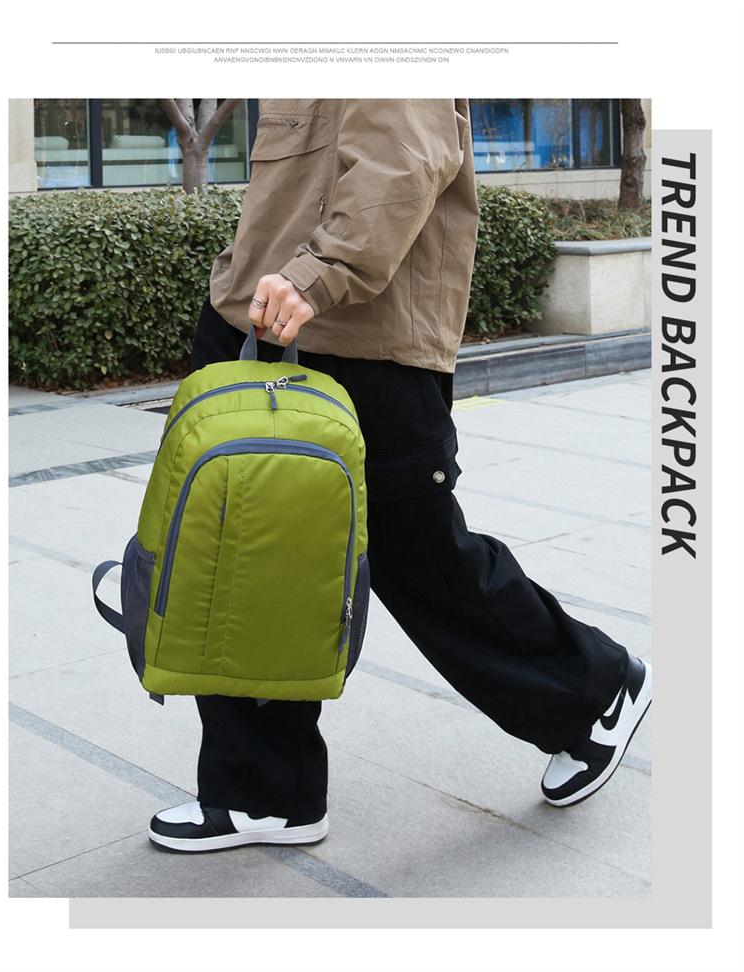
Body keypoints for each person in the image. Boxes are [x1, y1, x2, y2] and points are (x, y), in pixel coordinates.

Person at [148, 99, 651, 852]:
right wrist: (241, 271)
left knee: (419, 556)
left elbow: (402, 163)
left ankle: (592, 689)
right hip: (256, 319)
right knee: (243, 560)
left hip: (362, 342)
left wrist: (316, 274)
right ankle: (264, 793)